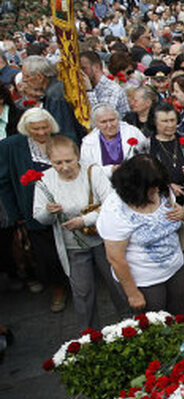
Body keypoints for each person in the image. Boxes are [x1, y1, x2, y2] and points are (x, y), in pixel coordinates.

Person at [33, 135, 129, 330]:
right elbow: (39, 216)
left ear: (77, 155)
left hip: (103, 240)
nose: (64, 167)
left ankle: (131, 324)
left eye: (69, 160)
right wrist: (48, 212)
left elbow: (112, 203)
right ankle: (90, 335)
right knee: (83, 293)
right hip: (73, 245)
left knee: (118, 285)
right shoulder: (44, 180)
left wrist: (84, 220)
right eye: (57, 163)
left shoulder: (92, 171)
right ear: (49, 161)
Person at [97, 154, 184, 315]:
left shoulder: (162, 191)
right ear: (136, 188)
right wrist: (132, 293)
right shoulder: (115, 209)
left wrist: (181, 213)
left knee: (179, 316)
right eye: (152, 188)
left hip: (175, 268)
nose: (157, 191)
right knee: (157, 325)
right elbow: (115, 258)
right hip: (145, 280)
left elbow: (173, 209)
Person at [0, 108, 70, 311]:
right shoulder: (11, 146)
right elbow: (4, 182)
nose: (41, 132)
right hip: (32, 209)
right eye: (35, 129)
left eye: (44, 127)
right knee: (46, 254)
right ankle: (58, 289)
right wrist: (16, 214)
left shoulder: (61, 139)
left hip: (65, 205)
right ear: (26, 128)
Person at [149, 103, 184, 204]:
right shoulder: (146, 146)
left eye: (172, 120)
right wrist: (167, 187)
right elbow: (143, 178)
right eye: (164, 121)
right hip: (160, 203)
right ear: (155, 122)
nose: (170, 125)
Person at [20, 56, 84, 142]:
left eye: (26, 76)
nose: (24, 80)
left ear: (39, 77)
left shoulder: (55, 95)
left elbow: (63, 131)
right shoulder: (56, 89)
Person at [80, 104, 148, 178]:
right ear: (96, 124)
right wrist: (111, 170)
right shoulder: (88, 142)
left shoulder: (132, 132)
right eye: (103, 122)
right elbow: (87, 171)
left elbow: (147, 156)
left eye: (112, 120)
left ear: (118, 119)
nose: (109, 125)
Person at [79, 50, 131, 118]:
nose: (80, 73)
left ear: (96, 67)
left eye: (83, 69)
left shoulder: (111, 89)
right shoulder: (87, 86)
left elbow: (102, 118)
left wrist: (89, 91)